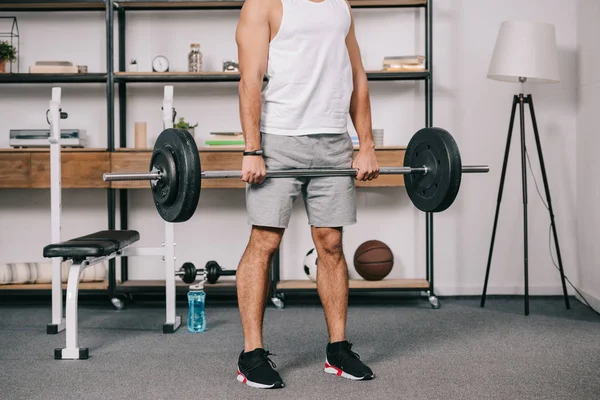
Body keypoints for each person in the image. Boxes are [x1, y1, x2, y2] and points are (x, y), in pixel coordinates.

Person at [234, 0, 380, 389]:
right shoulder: (263, 4)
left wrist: (365, 144)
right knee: (264, 240)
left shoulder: (340, 5)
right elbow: (251, 77)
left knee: (330, 242)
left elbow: (357, 75)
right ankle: (251, 354)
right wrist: (252, 148)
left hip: (334, 140)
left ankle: (338, 349)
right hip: (279, 139)